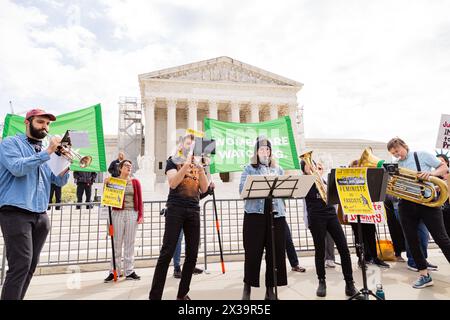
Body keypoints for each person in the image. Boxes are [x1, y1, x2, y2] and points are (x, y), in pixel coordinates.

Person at [0, 108, 70, 300]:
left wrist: (64, 161)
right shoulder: (10, 143)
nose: (45, 127)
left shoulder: (46, 152)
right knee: (19, 265)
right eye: (40, 122)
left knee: (29, 266)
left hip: (40, 214)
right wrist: (48, 152)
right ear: (27, 122)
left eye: (47, 124)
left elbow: (59, 182)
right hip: (15, 212)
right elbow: (17, 168)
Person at [149, 134, 209, 300]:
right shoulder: (172, 161)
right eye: (187, 145)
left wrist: (201, 169)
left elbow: (204, 189)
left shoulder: (198, 166)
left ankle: (182, 294)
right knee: (166, 252)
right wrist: (187, 164)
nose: (190, 148)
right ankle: (155, 296)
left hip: (193, 210)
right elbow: (173, 183)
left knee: (192, 255)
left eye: (193, 146)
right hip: (175, 209)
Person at [387, 137, 450, 288]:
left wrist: (431, 174)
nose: (397, 155)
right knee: (412, 241)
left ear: (404, 146)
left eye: (397, 151)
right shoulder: (395, 165)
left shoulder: (421, 154)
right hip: (406, 205)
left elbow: (444, 168)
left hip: (427, 203)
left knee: (441, 238)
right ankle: (424, 275)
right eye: (393, 153)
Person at [239, 136, 288, 300]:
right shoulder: (249, 169)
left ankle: (270, 289)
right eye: (261, 149)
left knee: (275, 254)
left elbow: (286, 192)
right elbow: (242, 191)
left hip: (276, 216)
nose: (265, 152)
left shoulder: (278, 169)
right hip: (255, 217)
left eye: (267, 149)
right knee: (252, 253)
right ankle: (247, 288)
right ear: (256, 152)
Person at [300, 159, 357, 298]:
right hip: (316, 217)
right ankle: (321, 281)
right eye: (308, 166)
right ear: (304, 170)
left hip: (331, 215)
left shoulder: (324, 179)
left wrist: (321, 176)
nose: (312, 167)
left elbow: (333, 196)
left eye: (312, 164)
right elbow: (300, 195)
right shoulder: (304, 181)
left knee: (344, 248)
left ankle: (349, 283)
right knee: (320, 251)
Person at [104, 159, 143, 282]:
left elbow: (140, 200)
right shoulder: (114, 181)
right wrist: (106, 184)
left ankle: (129, 271)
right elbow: (107, 198)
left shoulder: (135, 182)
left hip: (132, 213)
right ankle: (114, 271)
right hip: (117, 213)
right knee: (116, 243)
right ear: (120, 168)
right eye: (126, 165)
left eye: (130, 166)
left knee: (130, 243)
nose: (129, 167)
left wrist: (140, 215)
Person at [348, 160, 390, 269]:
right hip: (355, 211)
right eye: (355, 167)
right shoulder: (348, 179)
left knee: (371, 233)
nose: (358, 168)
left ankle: (374, 257)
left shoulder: (367, 179)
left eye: (359, 167)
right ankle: (361, 258)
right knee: (358, 236)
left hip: (368, 211)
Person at [436, 153, 450, 237]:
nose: (439, 163)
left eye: (441, 161)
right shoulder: (433, 176)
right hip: (439, 209)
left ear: (447, 163)